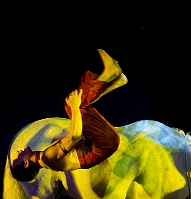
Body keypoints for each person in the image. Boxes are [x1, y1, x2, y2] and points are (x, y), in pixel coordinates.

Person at [10, 49, 127, 182]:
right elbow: (75, 136)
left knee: (75, 103)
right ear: (26, 164)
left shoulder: (46, 160)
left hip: (102, 144)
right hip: (104, 144)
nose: (16, 153)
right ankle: (111, 75)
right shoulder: (47, 157)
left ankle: (115, 81)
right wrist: (75, 107)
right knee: (72, 105)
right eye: (16, 158)